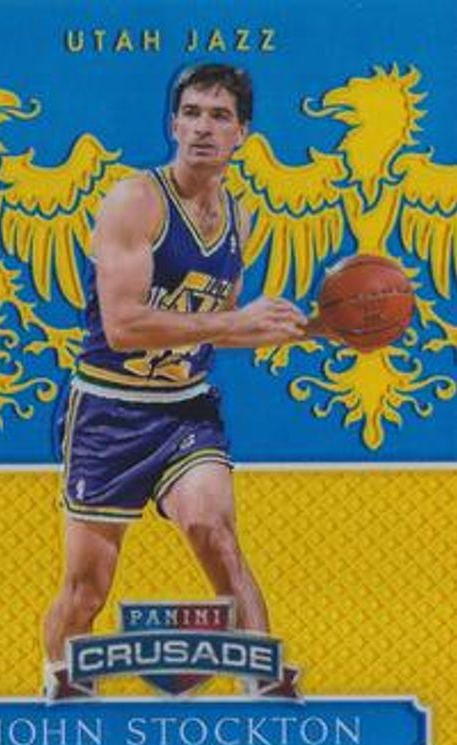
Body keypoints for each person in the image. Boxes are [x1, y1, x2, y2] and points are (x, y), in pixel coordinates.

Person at [43, 63, 308, 700]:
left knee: (215, 532)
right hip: (110, 412)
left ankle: (265, 687)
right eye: (191, 113)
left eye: (219, 116)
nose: (202, 128)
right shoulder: (135, 202)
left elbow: (211, 327)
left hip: (185, 410)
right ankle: (61, 686)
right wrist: (234, 322)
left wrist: (292, 328)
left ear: (243, 133)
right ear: (172, 124)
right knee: (86, 592)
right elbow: (124, 325)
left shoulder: (240, 218)